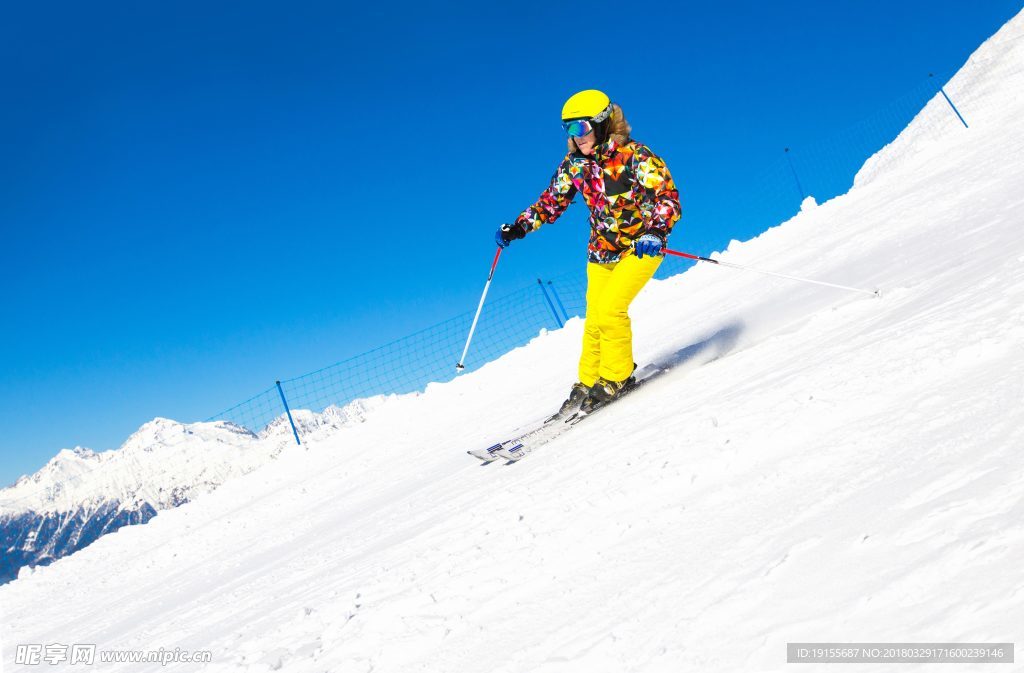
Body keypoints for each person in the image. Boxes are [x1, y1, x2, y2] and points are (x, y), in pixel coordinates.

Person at [496, 89, 681, 415]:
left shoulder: (635, 156)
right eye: (567, 129)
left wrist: (655, 230)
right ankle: (587, 383)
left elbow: (665, 196)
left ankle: (617, 377)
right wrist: (520, 226)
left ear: (603, 124)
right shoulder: (575, 166)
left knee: (611, 309)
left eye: (580, 128)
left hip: (639, 249)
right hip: (600, 254)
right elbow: (550, 202)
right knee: (595, 319)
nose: (574, 137)